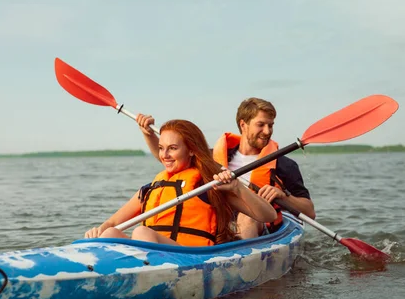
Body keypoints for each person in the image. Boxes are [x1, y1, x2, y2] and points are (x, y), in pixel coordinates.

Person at [136, 97, 315, 239]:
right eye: (261, 125)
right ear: (243, 124)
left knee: (247, 218)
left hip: (259, 225)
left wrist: (283, 196)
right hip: (218, 224)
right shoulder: (214, 157)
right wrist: (148, 134)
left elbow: (309, 212)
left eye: (271, 125)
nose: (267, 131)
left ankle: (242, 263)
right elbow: (172, 162)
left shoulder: (284, 164)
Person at [84, 119, 277, 246]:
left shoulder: (207, 186)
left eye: (173, 148)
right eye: (161, 148)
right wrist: (97, 232)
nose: (164, 155)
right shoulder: (152, 188)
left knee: (142, 233)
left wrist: (237, 187)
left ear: (191, 150)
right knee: (109, 233)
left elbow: (268, 214)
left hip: (191, 257)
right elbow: (113, 222)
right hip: (153, 255)